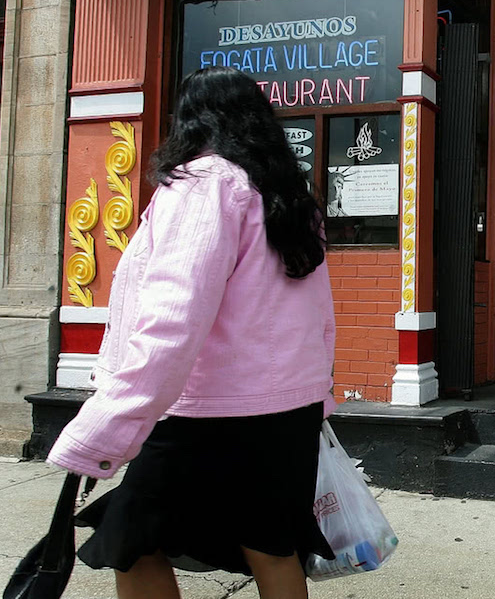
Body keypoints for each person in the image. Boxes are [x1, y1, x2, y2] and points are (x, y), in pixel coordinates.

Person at [46, 66, 336, 599]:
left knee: (130, 539)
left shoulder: (205, 186)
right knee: (271, 545)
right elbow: (320, 317)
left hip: (209, 409)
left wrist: (108, 425)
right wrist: (318, 396)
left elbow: (174, 317)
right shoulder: (291, 198)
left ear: (191, 119)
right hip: (285, 412)